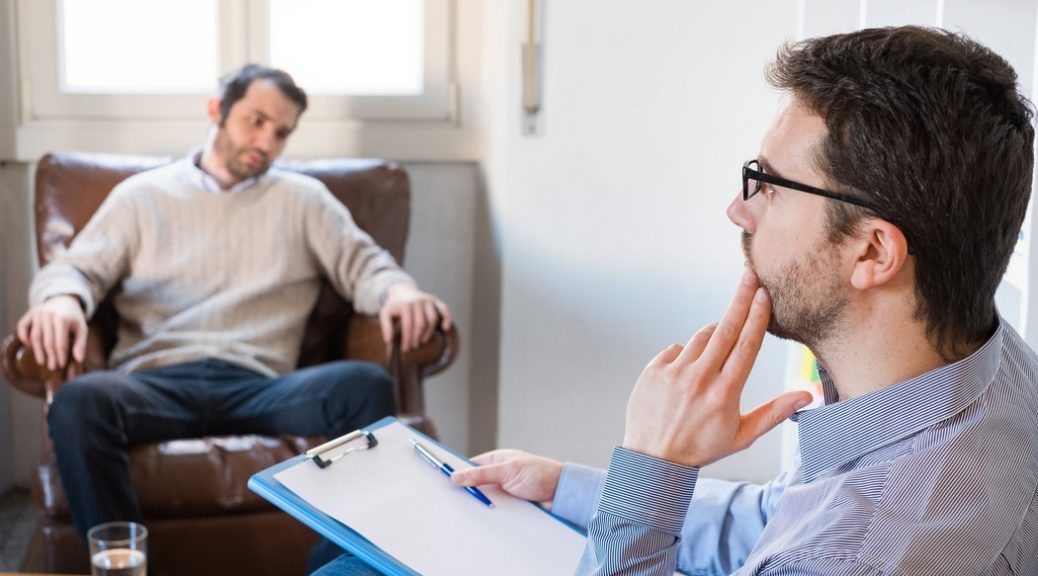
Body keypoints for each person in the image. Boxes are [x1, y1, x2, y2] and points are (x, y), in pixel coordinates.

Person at [316, 26, 1038, 576]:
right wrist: (570, 487)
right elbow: (784, 520)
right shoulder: (989, 362)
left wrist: (653, 465)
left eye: (770, 184)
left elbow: (821, 544)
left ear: (873, 253)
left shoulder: (861, 555)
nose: (739, 209)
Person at [16, 64, 451, 570]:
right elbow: (72, 270)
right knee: (77, 402)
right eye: (255, 121)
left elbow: (366, 265)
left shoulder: (302, 200)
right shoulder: (143, 196)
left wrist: (399, 291)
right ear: (216, 111)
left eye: (281, 132)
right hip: (156, 386)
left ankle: (330, 567)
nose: (266, 141)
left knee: (364, 386)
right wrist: (61, 300)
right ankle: (128, 567)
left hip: (261, 385)